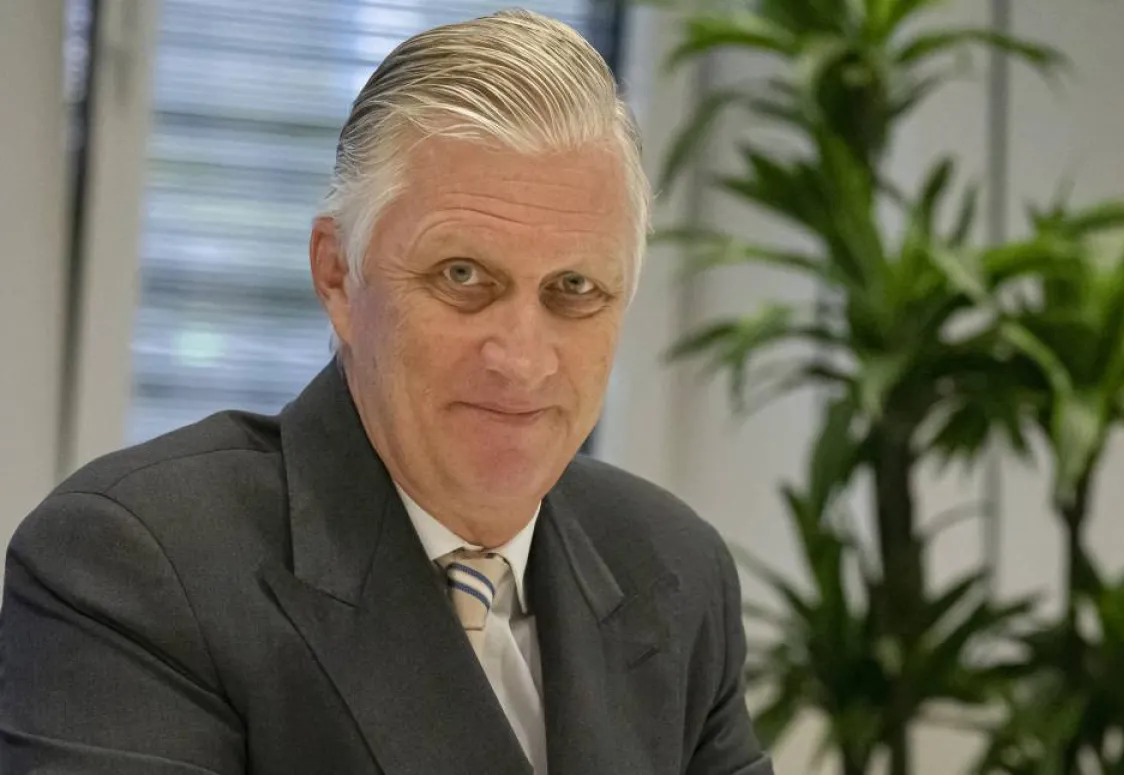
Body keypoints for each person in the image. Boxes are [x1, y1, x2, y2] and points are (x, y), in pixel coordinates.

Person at [0, 9, 772, 775]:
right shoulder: (135, 565)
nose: (523, 359)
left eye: (575, 288)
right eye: (463, 277)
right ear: (339, 274)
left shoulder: (672, 567)